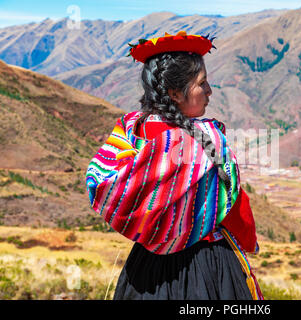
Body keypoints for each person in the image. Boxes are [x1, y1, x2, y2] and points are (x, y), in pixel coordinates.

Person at [85, 31, 263, 300]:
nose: (209, 91)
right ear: (175, 93)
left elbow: (108, 184)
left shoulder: (131, 130)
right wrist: (249, 242)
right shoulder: (206, 141)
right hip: (207, 266)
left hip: (145, 270)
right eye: (202, 84)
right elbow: (235, 207)